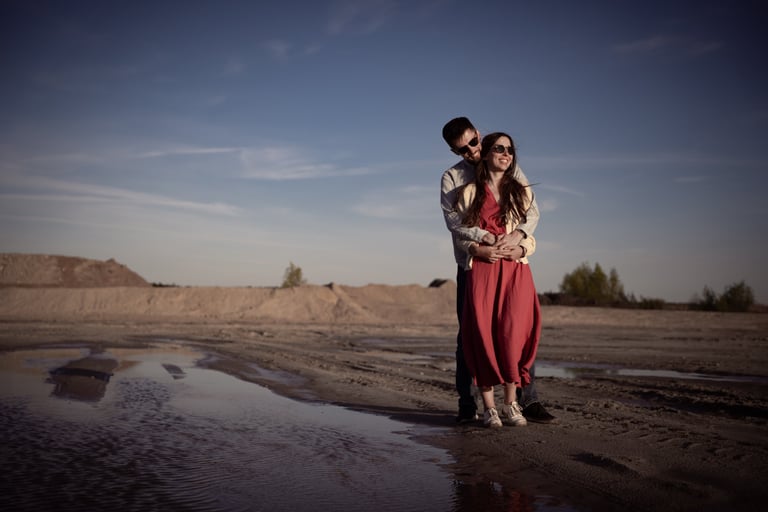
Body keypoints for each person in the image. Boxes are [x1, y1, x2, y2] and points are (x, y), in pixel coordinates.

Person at [440, 116, 556, 424]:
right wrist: (481, 242)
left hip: (510, 263)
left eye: (473, 142)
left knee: (515, 330)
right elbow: (454, 222)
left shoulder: (505, 163)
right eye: (462, 149)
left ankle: (527, 401)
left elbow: (530, 211)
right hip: (473, 265)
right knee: (471, 334)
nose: (472, 151)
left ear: (478, 135)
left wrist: (520, 238)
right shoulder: (453, 178)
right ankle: (468, 404)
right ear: (455, 152)